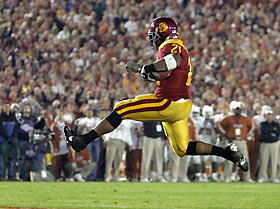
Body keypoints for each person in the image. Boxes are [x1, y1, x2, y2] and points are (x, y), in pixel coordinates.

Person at [64, 17, 249, 174]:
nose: (152, 37)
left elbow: (171, 62)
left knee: (121, 108)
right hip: (182, 106)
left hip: (168, 102)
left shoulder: (172, 44)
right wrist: (141, 70)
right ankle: (226, 152)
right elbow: (163, 74)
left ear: (162, 32)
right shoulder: (175, 46)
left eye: (154, 33)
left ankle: (83, 140)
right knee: (182, 148)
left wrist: (145, 68)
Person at [217, 101, 253, 182]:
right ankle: (227, 177)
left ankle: (247, 177)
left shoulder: (245, 119)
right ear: (233, 109)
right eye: (236, 109)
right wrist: (226, 134)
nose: (238, 111)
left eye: (239, 109)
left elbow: (252, 126)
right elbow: (219, 125)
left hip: (242, 141)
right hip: (231, 141)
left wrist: (245, 135)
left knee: (244, 159)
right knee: (229, 160)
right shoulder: (229, 118)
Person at [257, 110, 280, 183]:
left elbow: (278, 132)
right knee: (264, 161)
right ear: (265, 116)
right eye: (267, 115)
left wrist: (271, 131)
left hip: (274, 144)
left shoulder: (276, 124)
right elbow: (264, 131)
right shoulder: (262, 124)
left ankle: (274, 177)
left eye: (270, 115)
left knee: (274, 161)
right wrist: (272, 131)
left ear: (272, 115)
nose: (269, 116)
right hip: (265, 144)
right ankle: (263, 176)